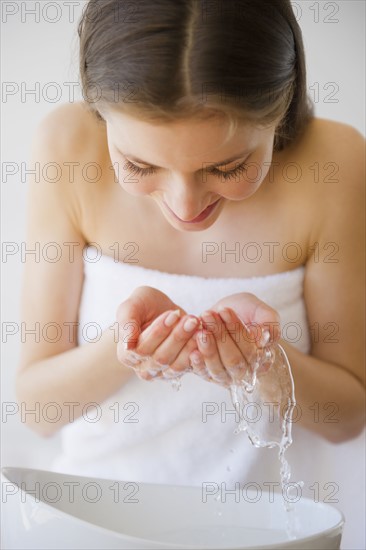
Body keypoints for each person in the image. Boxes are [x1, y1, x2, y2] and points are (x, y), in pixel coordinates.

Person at [16, 0, 364, 505]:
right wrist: (127, 349)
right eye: (138, 163)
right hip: (98, 517)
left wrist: (264, 364)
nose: (184, 205)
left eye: (226, 167)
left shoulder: (336, 161)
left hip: (271, 530)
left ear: (282, 106)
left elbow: (348, 419)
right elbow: (37, 411)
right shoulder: (66, 146)